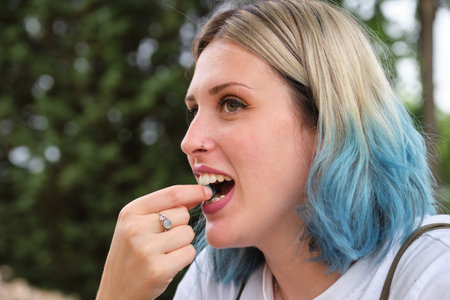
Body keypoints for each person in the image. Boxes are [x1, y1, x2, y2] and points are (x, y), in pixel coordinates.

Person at [96, 0, 450, 299]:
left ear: (328, 122)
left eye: (231, 104)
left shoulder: (434, 269)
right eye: (193, 111)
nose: (189, 141)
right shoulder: (213, 283)